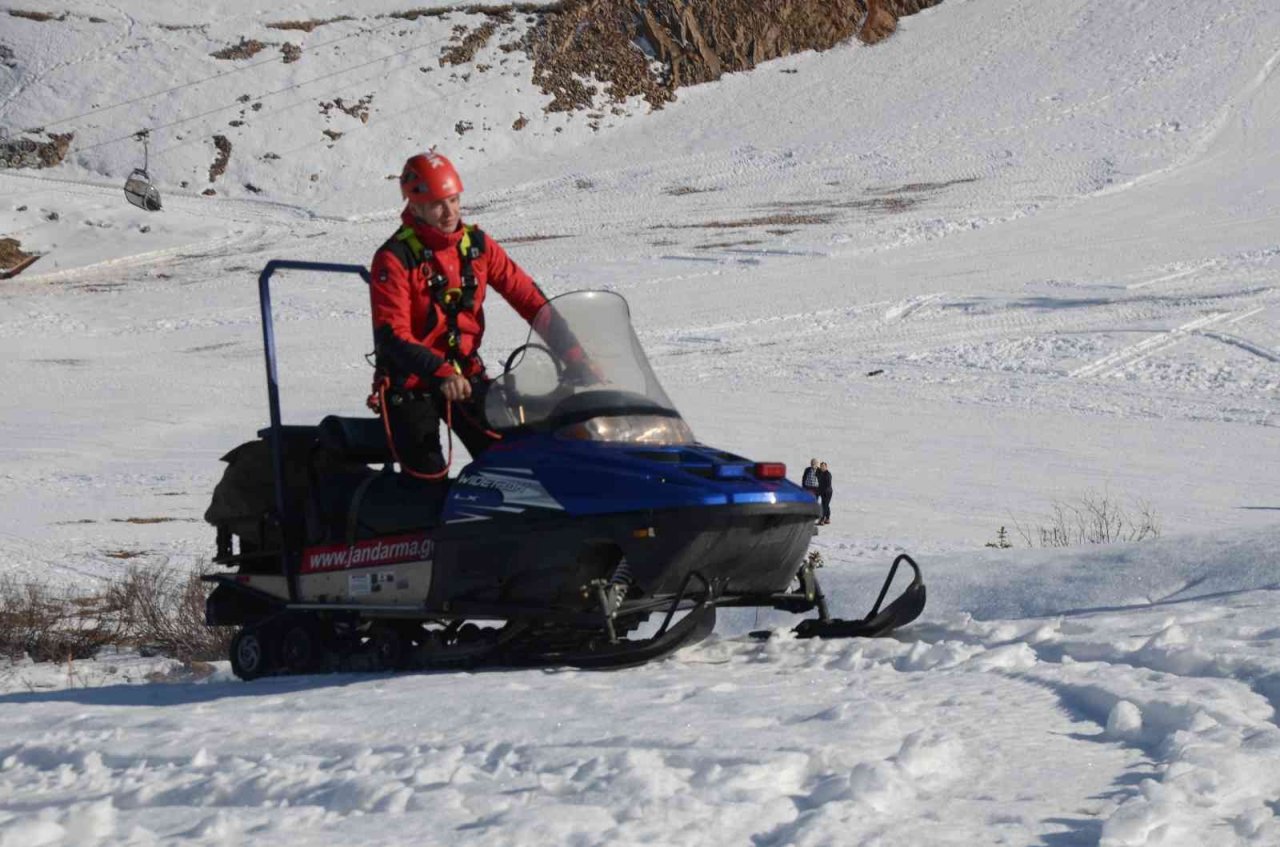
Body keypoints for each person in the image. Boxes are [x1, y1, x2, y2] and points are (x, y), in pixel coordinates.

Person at [369, 151, 550, 476]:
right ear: (414, 205)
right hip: (411, 384)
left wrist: (573, 347)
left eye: (453, 200)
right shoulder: (393, 259)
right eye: (438, 203)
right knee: (428, 484)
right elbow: (391, 335)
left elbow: (528, 297)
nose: (449, 211)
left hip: (466, 376)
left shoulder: (478, 245)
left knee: (513, 467)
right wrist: (440, 373)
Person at [817, 461, 833, 525]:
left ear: (826, 467)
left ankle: (822, 520)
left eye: (823, 466)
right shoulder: (820, 472)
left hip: (827, 492)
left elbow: (827, 485)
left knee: (824, 506)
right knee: (826, 505)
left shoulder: (828, 474)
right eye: (821, 466)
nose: (822, 468)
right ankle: (827, 519)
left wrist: (821, 490)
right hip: (823, 492)